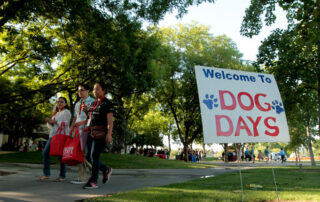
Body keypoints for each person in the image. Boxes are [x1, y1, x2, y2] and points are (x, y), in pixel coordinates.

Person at [82, 82, 114, 189]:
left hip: (101, 134)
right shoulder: (93, 103)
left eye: (98, 89)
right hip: (91, 133)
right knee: (88, 157)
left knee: (94, 156)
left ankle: (93, 181)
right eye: (94, 89)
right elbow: (89, 118)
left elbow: (110, 121)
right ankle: (105, 169)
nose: (95, 91)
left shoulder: (107, 103)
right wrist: (86, 111)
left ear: (104, 90)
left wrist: (109, 134)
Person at [39, 97, 71, 181]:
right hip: (52, 136)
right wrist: (49, 121)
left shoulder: (66, 112)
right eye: (58, 102)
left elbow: (66, 124)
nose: (59, 103)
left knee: (61, 156)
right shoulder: (56, 113)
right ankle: (46, 174)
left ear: (65, 103)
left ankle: (62, 176)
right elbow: (50, 126)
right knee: (45, 153)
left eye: (62, 102)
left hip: (61, 136)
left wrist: (54, 122)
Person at [70, 84, 95, 185]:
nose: (80, 92)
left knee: (86, 154)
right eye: (78, 91)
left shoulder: (93, 102)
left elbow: (93, 117)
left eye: (82, 90)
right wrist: (71, 129)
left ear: (88, 91)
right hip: (77, 131)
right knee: (78, 154)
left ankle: (96, 171)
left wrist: (83, 122)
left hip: (87, 131)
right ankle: (83, 176)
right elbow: (75, 117)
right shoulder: (77, 103)